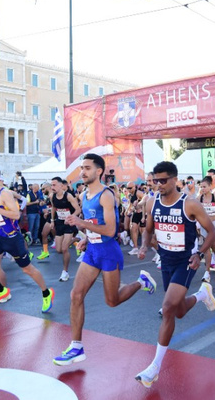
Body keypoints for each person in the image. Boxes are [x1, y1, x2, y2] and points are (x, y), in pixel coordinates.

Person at [53, 154, 156, 366]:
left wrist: (82, 223)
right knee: (76, 295)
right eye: (82, 168)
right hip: (93, 252)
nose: (83, 172)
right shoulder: (84, 195)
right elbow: (93, 224)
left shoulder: (106, 195)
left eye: (87, 168)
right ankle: (76, 346)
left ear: (99, 171)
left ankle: (141, 282)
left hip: (109, 253)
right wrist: (86, 239)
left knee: (112, 301)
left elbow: (110, 230)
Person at [134, 161, 215, 388]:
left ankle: (154, 367)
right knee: (179, 310)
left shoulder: (189, 204)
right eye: (155, 180)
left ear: (174, 180)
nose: (158, 185)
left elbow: (212, 232)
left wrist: (199, 254)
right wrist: (144, 245)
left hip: (186, 261)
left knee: (168, 308)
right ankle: (202, 295)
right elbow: (148, 229)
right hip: (166, 260)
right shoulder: (152, 202)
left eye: (163, 180)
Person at [0, 166, 54, 312]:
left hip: (13, 239)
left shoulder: (5, 194)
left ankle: (46, 293)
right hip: (0, 237)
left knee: (27, 270)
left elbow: (16, 215)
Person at [50, 177, 80, 282]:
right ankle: (77, 239)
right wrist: (52, 220)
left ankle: (65, 272)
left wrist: (71, 217)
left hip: (69, 224)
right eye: (51, 185)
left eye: (54, 185)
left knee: (64, 249)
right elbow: (53, 207)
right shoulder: (52, 196)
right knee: (58, 250)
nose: (52, 187)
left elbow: (78, 209)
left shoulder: (68, 196)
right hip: (59, 223)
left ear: (60, 185)